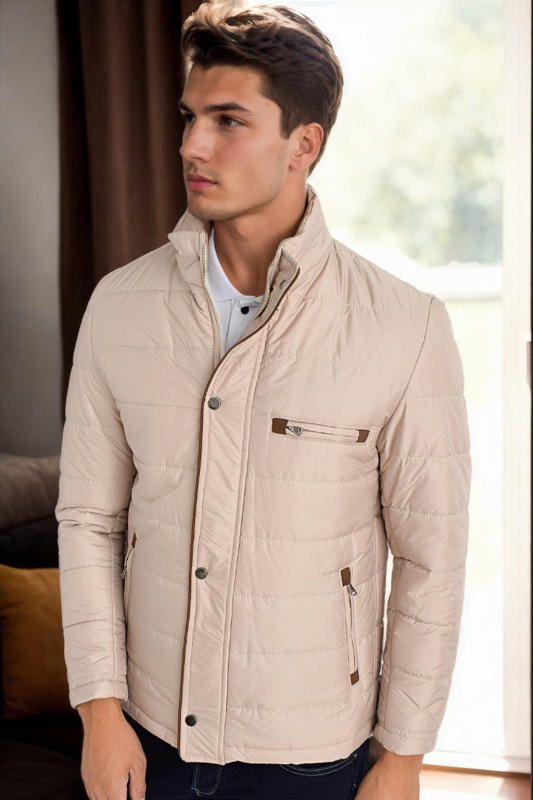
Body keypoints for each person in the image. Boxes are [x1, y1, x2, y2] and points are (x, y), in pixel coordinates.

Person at [55, 1, 472, 799]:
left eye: (228, 121)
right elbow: (89, 522)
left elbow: (432, 560)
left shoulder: (405, 326)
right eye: (189, 118)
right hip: (147, 737)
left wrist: (403, 757)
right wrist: (99, 714)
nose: (191, 145)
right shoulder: (119, 306)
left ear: (303, 145)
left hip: (314, 750)